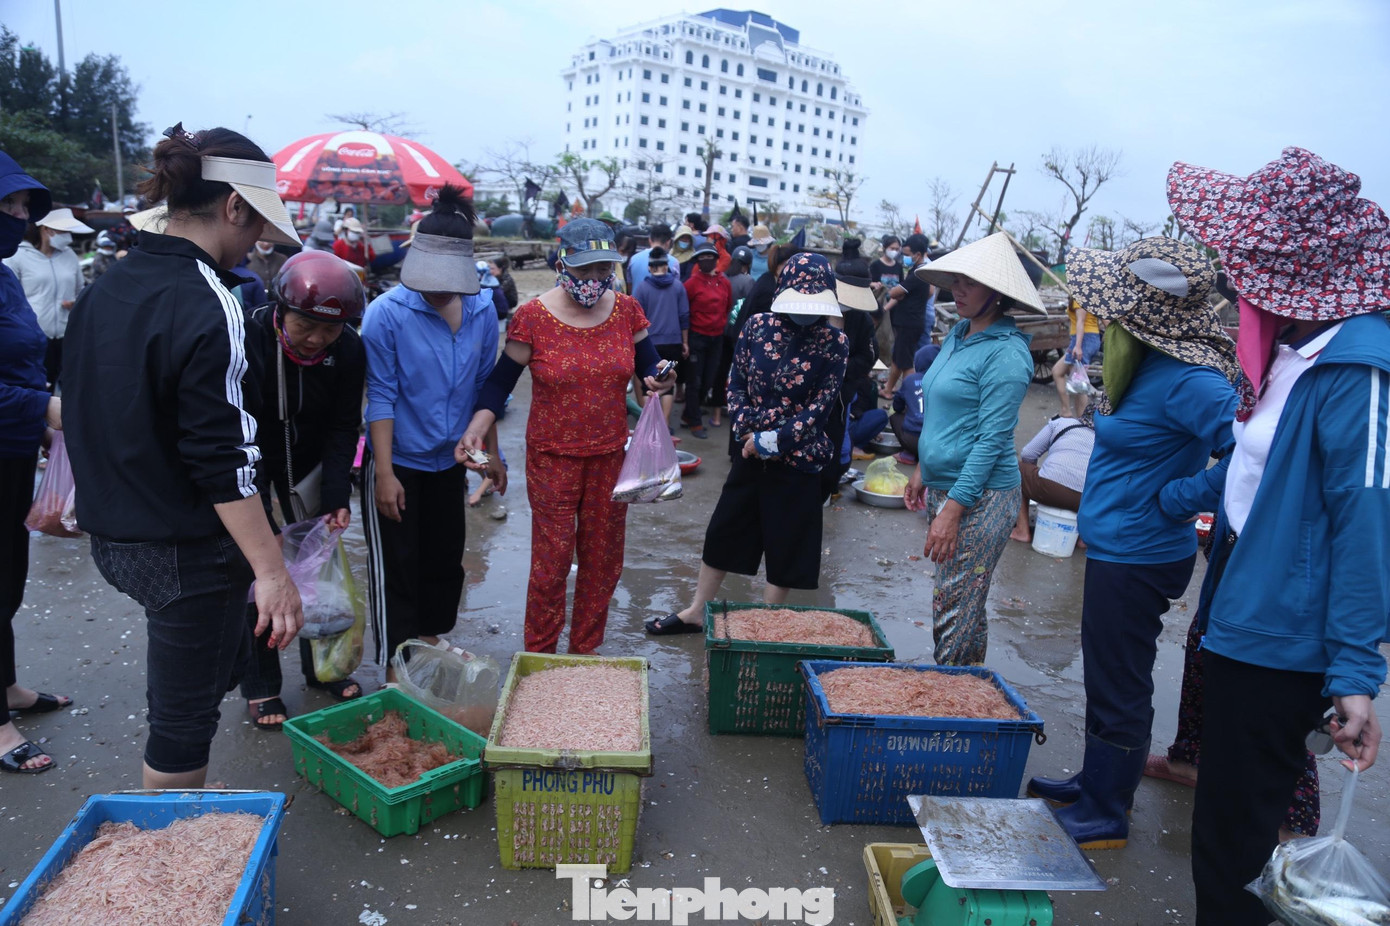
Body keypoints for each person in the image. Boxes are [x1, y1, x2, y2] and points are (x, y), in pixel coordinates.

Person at [1162, 148, 1388, 924]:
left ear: (1291, 264)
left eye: (1247, 254)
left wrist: (1355, 672)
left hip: (1282, 637)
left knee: (1237, 845)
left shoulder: (1357, 367)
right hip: (1239, 611)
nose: (1235, 271)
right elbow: (1252, 473)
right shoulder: (1291, 348)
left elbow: (1365, 522)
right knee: (1224, 830)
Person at [63, 123, 305, 789]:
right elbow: (224, 455)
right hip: (183, 548)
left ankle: (175, 803)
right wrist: (272, 571)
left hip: (114, 536)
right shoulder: (209, 300)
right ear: (234, 206)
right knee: (183, 722)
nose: (256, 241)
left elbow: (80, 402)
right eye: (258, 224)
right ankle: (167, 837)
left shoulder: (108, 286)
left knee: (198, 676)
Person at [1024, 237, 1240, 851]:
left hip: (1140, 553)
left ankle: (1106, 813)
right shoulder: (1143, 362)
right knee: (1107, 673)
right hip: (1118, 545)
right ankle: (1097, 783)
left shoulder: (1190, 381)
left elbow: (1255, 454)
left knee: (1120, 682)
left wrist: (1180, 497)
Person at [458, 217, 675, 654]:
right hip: (552, 459)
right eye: (584, 269)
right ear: (562, 264)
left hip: (609, 458)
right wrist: (476, 429)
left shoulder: (626, 311)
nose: (594, 278)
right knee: (551, 563)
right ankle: (540, 655)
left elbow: (651, 366)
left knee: (602, 562)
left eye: (603, 269)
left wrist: (663, 378)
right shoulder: (533, 317)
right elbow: (499, 383)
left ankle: (584, 652)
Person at [646, 253, 848, 634]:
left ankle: (764, 623)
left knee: (786, 544)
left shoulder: (834, 342)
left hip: (799, 456)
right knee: (725, 530)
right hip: (749, 449)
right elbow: (735, 382)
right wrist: (746, 430)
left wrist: (773, 441)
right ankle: (696, 611)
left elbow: (820, 409)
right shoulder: (757, 326)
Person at [359, 185, 502, 671]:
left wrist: (491, 458)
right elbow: (381, 395)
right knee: (398, 564)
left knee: (444, 559)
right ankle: (395, 664)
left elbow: (485, 390)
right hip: (398, 459)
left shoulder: (483, 309)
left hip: (451, 460)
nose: (439, 291)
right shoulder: (386, 314)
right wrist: (383, 474)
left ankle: (427, 638)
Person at [241, 250, 367, 729]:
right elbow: (234, 429)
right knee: (259, 574)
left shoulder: (349, 348)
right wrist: (263, 519)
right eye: (305, 326)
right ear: (281, 309)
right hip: (251, 464)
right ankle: (261, 684)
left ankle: (323, 668)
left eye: (329, 330)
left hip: (311, 467)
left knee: (318, 570)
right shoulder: (248, 336)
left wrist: (336, 495)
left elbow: (343, 426)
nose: (316, 339)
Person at [904, 233, 1041, 666]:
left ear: (997, 293)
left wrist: (953, 510)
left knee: (954, 603)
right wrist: (923, 467)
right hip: (947, 487)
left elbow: (991, 441)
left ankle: (950, 694)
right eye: (956, 281)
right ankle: (969, 683)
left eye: (971, 283)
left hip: (981, 499)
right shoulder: (959, 333)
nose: (958, 291)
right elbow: (942, 409)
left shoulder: (1007, 355)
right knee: (963, 601)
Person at [0, 154, 70, 774]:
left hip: (14, 448)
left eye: (24, 206)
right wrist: (45, 409)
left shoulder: (3, 275)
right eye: (10, 205)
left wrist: (41, 426)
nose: (21, 216)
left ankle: (8, 687)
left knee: (8, 576)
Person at [5, 208, 93, 389]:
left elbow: (80, 290)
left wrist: (75, 303)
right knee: (41, 387)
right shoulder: (18, 257)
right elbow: (10, 300)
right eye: (63, 231)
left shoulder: (69, 256)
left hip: (66, 334)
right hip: (33, 336)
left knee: (71, 385)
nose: (68, 237)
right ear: (46, 229)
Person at [1009, 410, 1096, 543]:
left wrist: (1032, 479)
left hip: (1048, 489)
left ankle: (1022, 530)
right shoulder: (1109, 441)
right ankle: (1083, 540)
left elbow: (1028, 453)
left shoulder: (1061, 423)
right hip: (1086, 501)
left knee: (1015, 469)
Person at [833, 269, 888, 463]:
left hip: (844, 393)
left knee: (840, 448)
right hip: (816, 393)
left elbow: (869, 356)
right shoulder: (819, 309)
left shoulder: (861, 319)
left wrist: (842, 366)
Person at [632, 245, 689, 429]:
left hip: (650, 343)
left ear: (650, 268)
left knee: (648, 384)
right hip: (673, 341)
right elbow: (684, 315)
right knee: (667, 384)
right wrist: (685, 341)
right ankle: (664, 423)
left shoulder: (642, 288)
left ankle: (650, 424)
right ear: (666, 266)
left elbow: (636, 319)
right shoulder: (678, 286)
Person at [682, 241, 733, 437]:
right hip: (697, 337)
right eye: (701, 258)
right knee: (694, 381)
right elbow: (684, 311)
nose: (705, 261)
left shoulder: (724, 283)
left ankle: (689, 413)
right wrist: (685, 339)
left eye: (709, 257)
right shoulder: (691, 284)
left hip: (716, 338)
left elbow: (727, 306)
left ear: (716, 260)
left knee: (709, 380)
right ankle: (695, 422)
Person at [880, 233, 935, 398]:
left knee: (906, 363)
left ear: (917, 255)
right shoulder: (920, 271)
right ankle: (890, 389)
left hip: (910, 323)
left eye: (906, 254)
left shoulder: (919, 273)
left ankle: (910, 396)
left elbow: (894, 292)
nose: (904, 257)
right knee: (899, 358)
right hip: (910, 321)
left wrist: (901, 294)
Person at [888, 343, 938, 466]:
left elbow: (897, 406)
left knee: (895, 415)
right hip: (936, 443)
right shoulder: (944, 382)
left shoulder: (910, 380)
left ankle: (908, 454)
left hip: (911, 440)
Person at [1052, 298, 1100, 418]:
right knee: (1058, 371)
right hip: (1087, 338)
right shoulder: (1091, 295)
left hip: (1083, 339)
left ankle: (1080, 418)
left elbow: (1081, 321)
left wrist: (1078, 346)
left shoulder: (1080, 296)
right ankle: (1067, 411)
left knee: (1079, 383)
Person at [628, 223, 680, 291]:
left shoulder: (633, 259)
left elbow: (629, 286)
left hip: (636, 298)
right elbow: (676, 289)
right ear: (668, 242)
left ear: (650, 240)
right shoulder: (674, 263)